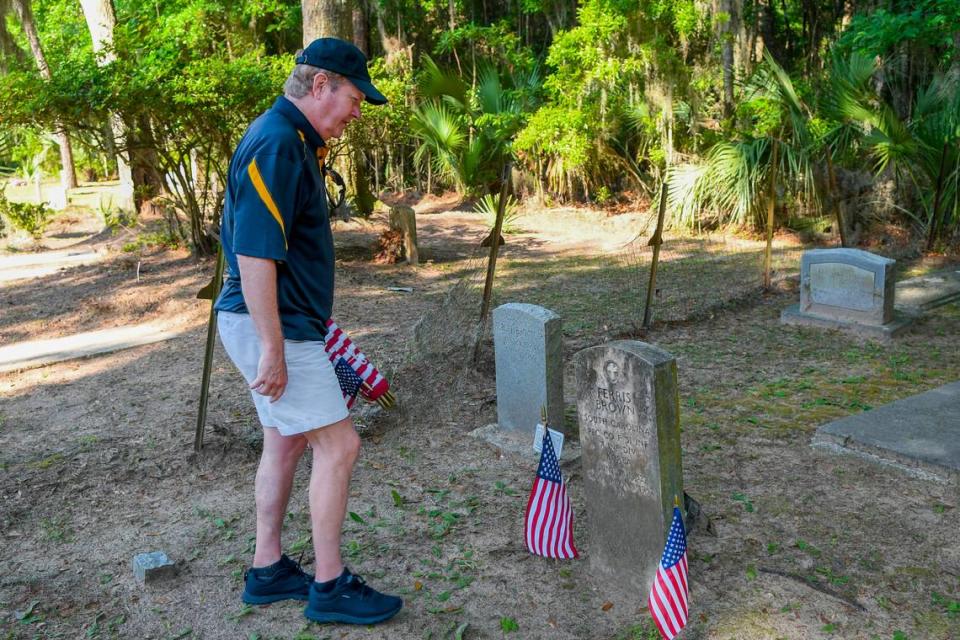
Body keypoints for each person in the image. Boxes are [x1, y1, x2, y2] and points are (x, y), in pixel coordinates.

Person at [214, 38, 401, 626]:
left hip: (278, 323)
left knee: (286, 439)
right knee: (339, 445)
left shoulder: (290, 140)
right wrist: (275, 347)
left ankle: (268, 570)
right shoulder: (277, 143)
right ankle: (329, 584)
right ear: (320, 85)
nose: (356, 112)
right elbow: (254, 254)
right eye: (353, 97)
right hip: (277, 327)